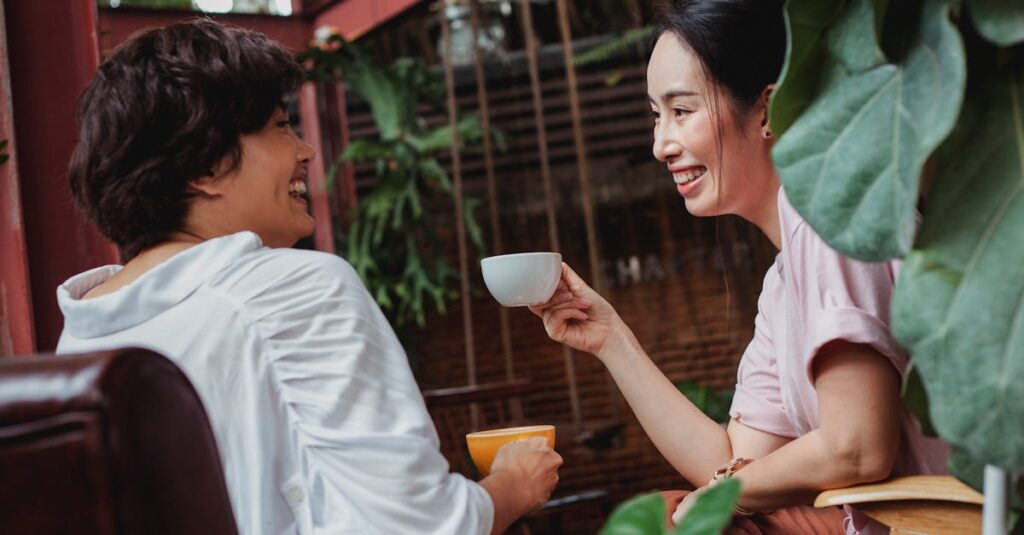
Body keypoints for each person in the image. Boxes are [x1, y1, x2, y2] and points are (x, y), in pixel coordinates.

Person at [56, 19, 560, 535]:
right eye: (280, 126)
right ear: (205, 166)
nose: (306, 151)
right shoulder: (289, 288)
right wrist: (514, 485)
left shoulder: (82, 336)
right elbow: (420, 526)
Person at [528, 1, 948, 533]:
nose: (660, 145)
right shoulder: (785, 281)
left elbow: (856, 447)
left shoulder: (830, 224)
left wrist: (714, 497)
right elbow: (732, 459)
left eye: (682, 111)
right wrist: (611, 339)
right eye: (656, 115)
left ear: (767, 111)